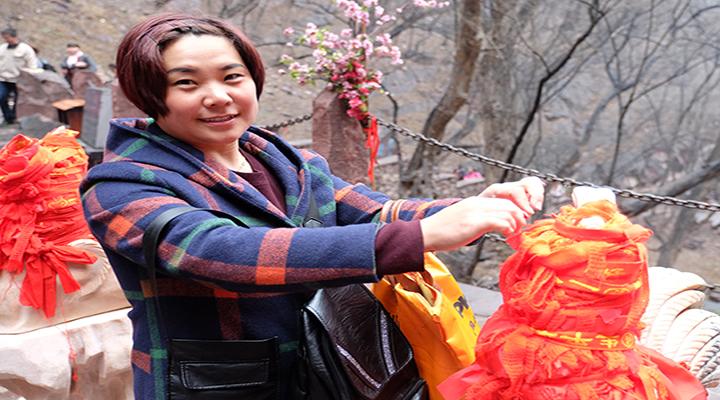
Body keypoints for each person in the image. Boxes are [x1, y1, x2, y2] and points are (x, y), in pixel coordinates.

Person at [80, 13, 545, 399]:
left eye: (232, 77)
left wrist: (467, 208)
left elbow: (369, 209)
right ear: (151, 95)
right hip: (218, 385)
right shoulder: (122, 183)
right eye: (186, 83)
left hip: (325, 370)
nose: (218, 96)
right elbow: (219, 251)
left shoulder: (276, 156)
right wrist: (420, 238)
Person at [0, 28, 37, 125]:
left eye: (7, 37)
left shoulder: (25, 49)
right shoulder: (2, 48)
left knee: (19, 101)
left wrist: (29, 75)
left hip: (19, 80)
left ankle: (15, 118)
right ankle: (8, 117)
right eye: (4, 38)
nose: (6, 40)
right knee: (1, 97)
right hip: (3, 79)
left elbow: (32, 65)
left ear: (14, 36)